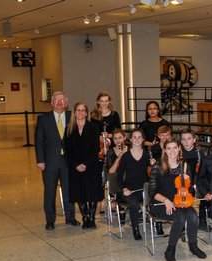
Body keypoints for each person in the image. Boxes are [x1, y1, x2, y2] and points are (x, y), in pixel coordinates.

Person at [148, 138, 207, 261]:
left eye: (175, 148)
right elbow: (152, 193)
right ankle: (170, 248)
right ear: (164, 150)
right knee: (180, 217)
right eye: (169, 148)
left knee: (192, 215)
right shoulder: (157, 166)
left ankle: (193, 245)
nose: (172, 151)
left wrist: (188, 181)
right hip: (160, 203)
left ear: (179, 148)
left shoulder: (183, 165)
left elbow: (188, 190)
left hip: (180, 201)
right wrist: (166, 201)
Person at [35, 91, 78, 230]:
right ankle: (50, 220)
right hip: (49, 162)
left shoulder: (72, 117)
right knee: (49, 192)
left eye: (62, 100)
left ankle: (70, 218)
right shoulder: (43, 119)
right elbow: (39, 141)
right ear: (52, 103)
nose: (59, 103)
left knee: (69, 191)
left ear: (66, 103)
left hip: (67, 161)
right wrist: (40, 160)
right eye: (56, 100)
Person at [64, 102, 103, 230]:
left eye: (83, 110)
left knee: (92, 191)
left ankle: (91, 217)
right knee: (79, 192)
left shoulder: (93, 127)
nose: (80, 113)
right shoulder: (68, 128)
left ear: (86, 113)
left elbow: (95, 148)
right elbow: (67, 150)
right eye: (78, 110)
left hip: (91, 165)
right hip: (75, 166)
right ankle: (85, 217)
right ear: (74, 113)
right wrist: (76, 165)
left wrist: (86, 164)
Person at [111, 129, 149, 240]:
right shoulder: (126, 156)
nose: (137, 139)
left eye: (139, 137)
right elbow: (119, 177)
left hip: (142, 190)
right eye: (134, 137)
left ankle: (158, 225)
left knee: (155, 196)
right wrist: (124, 189)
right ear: (131, 139)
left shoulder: (147, 155)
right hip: (128, 190)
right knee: (134, 203)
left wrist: (153, 166)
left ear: (142, 139)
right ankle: (135, 230)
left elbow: (150, 176)